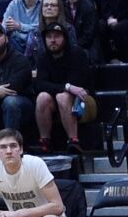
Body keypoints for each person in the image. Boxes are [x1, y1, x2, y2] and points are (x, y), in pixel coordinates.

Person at [32, 23, 93, 154]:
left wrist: (66, 88)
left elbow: (78, 83)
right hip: (58, 98)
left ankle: (73, 140)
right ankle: (45, 141)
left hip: (83, 99)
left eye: (57, 36)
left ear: (65, 38)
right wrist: (66, 87)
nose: (53, 40)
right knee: (42, 97)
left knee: (63, 96)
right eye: (49, 37)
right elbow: (40, 84)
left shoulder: (77, 53)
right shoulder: (43, 57)